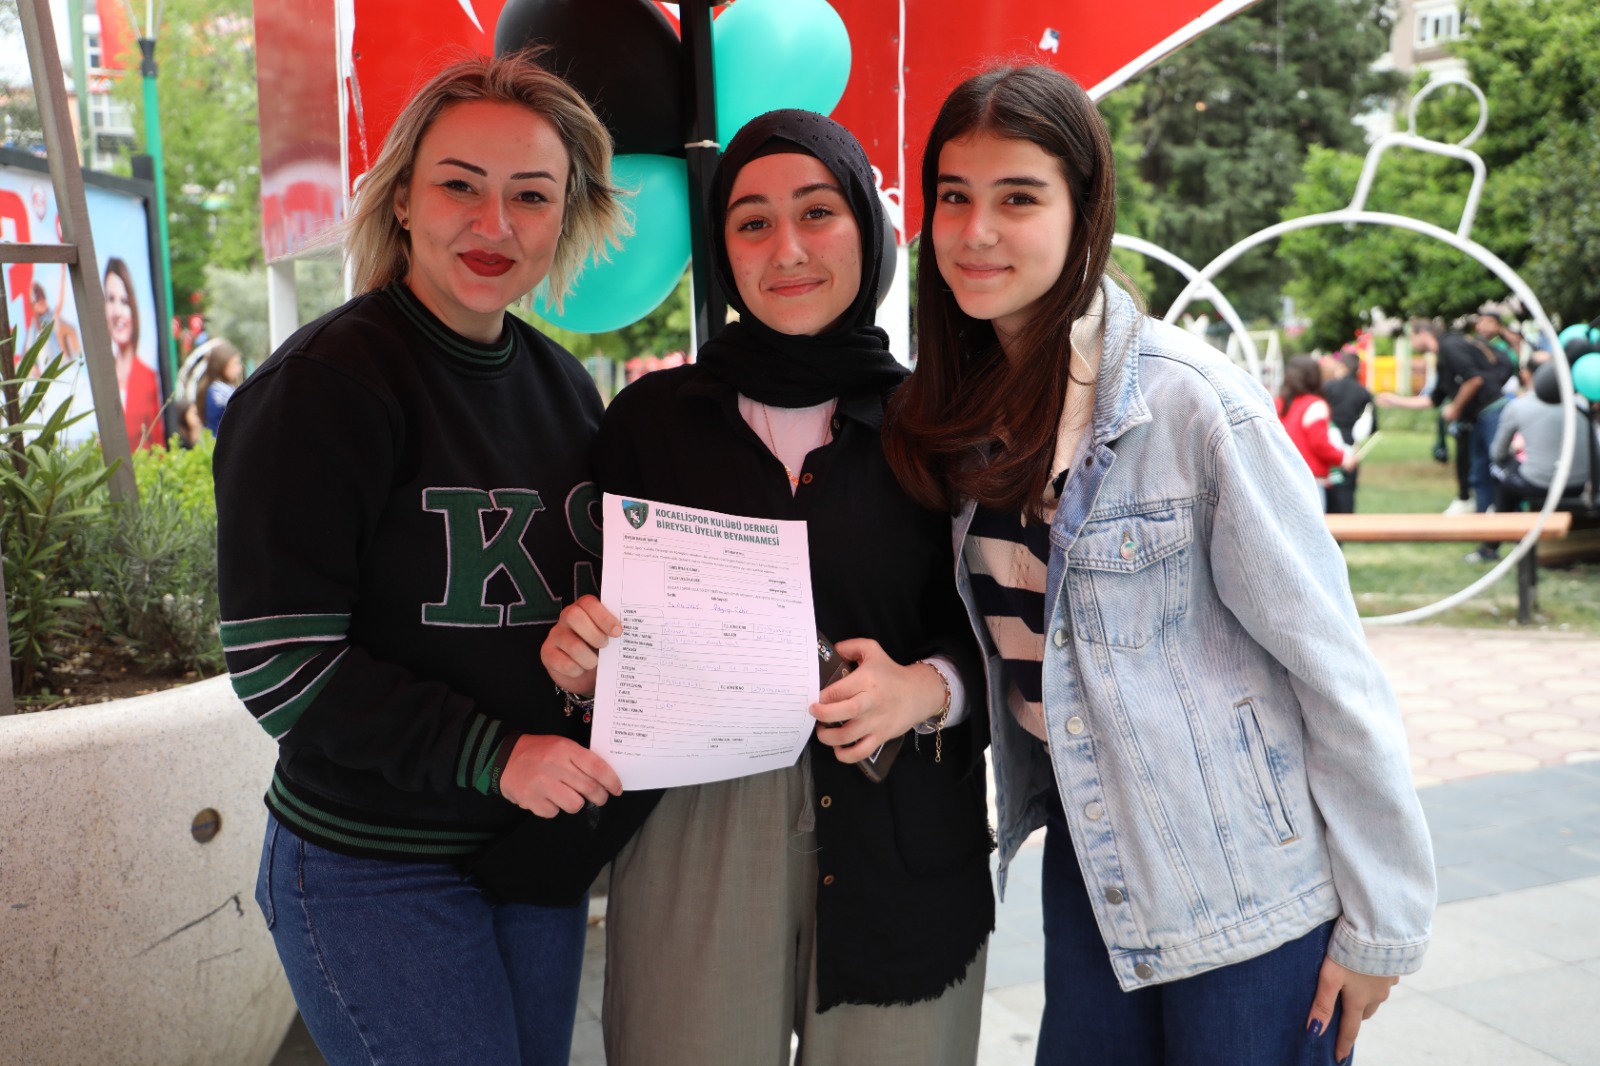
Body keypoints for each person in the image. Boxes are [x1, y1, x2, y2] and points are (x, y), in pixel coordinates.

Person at [881, 65, 1435, 1066]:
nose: (976, 231)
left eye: (1018, 198)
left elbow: (1331, 666)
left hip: (1243, 885)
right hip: (1092, 864)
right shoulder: (959, 413)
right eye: (953, 197)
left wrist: (1381, 923)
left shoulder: (1190, 404)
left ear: (1083, 210)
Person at [541, 110, 994, 1066]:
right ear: (722, 250)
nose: (786, 248)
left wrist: (929, 689)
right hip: (695, 822)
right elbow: (596, 634)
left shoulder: (941, 425)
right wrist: (581, 666)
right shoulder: (650, 424)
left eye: (817, 212)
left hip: (903, 832)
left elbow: (1022, 638)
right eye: (752, 222)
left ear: (869, 229)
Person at [213, 52, 629, 1066]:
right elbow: (281, 664)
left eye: (531, 195)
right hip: (374, 867)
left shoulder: (566, 389)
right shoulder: (325, 386)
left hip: (529, 859)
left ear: (566, 216)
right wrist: (498, 754)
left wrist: (590, 664)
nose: (495, 225)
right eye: (460, 186)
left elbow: (555, 624)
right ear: (402, 198)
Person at [1379, 320, 1512, 518]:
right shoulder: (1443, 356)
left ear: (1423, 334)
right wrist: (1394, 400)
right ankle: (1484, 532)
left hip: (1491, 413)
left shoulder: (1450, 346)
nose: (1411, 343)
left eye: (1411, 337)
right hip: (1478, 419)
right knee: (1479, 477)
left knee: (1498, 472)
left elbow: (1474, 380)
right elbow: (1433, 400)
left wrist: (1455, 408)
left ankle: (1510, 521)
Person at [1278, 355, 1355, 511]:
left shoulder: (1276, 403)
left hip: (1280, 480)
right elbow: (1319, 443)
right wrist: (1343, 458)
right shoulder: (1315, 404)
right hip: (1310, 481)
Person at [103, 257, 163, 454]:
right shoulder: (99, 378)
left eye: (124, 301)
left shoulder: (148, 377)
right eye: (110, 299)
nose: (117, 312)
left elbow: (159, 446)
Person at [1320, 349, 1377, 514]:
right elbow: (1372, 425)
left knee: (1326, 496)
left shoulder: (1327, 388)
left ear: (1342, 367)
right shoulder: (1364, 392)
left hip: (1328, 445)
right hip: (1351, 448)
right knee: (1346, 497)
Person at [194, 338, 244, 433]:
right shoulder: (221, 391)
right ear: (223, 364)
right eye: (235, 363)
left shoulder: (209, 388)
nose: (239, 368)